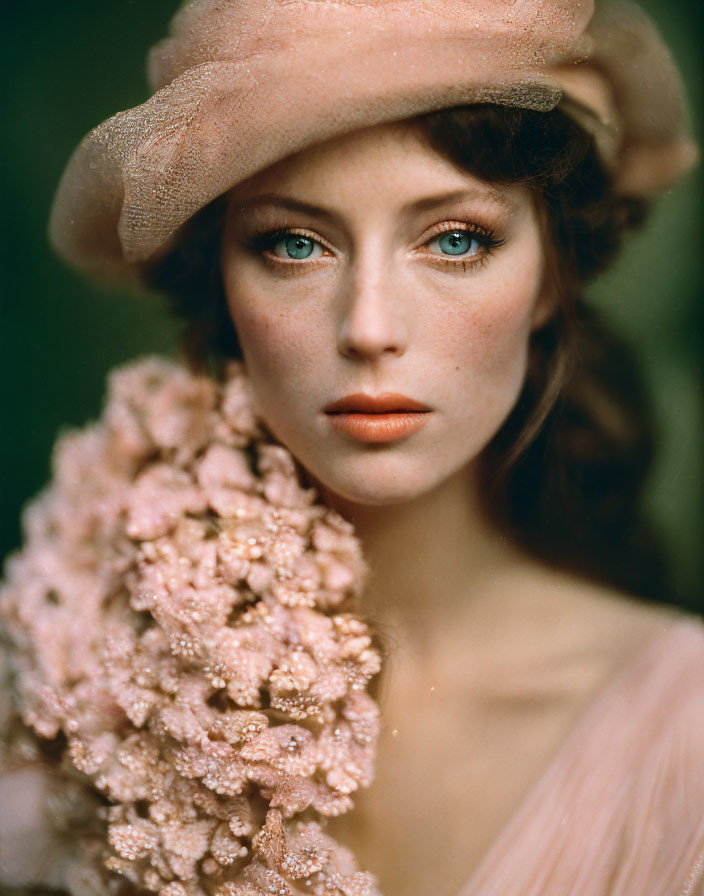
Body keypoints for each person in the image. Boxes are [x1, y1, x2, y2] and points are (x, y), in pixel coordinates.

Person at [0, 1, 701, 895]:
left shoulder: (687, 738)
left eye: (456, 239)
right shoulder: (71, 665)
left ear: (548, 279)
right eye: (294, 244)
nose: (369, 328)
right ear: (220, 274)